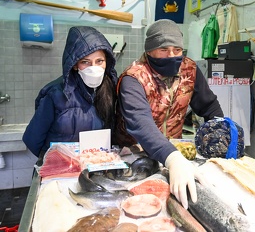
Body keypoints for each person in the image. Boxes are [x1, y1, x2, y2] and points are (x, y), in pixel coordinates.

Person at [117, 19, 224, 209]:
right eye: (164, 50)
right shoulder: (134, 78)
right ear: (149, 51)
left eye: (177, 50)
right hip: (136, 156)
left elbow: (209, 106)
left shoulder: (189, 70)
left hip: (175, 156)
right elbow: (141, 125)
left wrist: (222, 133)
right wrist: (173, 158)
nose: (172, 55)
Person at [23, 26, 118, 162]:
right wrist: (56, 161)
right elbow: (33, 139)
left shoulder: (109, 89)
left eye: (99, 61)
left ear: (106, 62)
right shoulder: (55, 94)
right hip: (61, 169)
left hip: (94, 166)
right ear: (74, 64)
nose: (94, 68)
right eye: (85, 62)